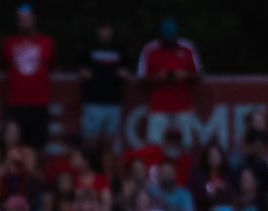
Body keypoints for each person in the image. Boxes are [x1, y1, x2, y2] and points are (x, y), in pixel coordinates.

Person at [137, 19, 202, 146]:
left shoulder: (187, 47)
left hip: (183, 105)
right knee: (154, 145)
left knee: (186, 144)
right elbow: (141, 78)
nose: (169, 42)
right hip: (158, 106)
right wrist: (159, 77)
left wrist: (184, 75)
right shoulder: (150, 50)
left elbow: (198, 75)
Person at [2, 4, 56, 150]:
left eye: (27, 18)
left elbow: (50, 65)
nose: (24, 22)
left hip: (39, 102)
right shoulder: (9, 43)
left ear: (34, 19)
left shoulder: (47, 42)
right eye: (21, 19)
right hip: (16, 102)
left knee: (35, 148)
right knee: (11, 143)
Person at [78, 22, 131, 151]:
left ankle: (105, 170)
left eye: (107, 29)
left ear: (112, 31)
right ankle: (90, 167)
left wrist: (123, 74)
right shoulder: (89, 49)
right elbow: (81, 71)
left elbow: (127, 73)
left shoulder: (120, 50)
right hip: (93, 102)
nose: (104, 32)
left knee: (109, 142)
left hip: (113, 103)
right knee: (90, 141)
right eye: (102, 29)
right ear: (97, 31)